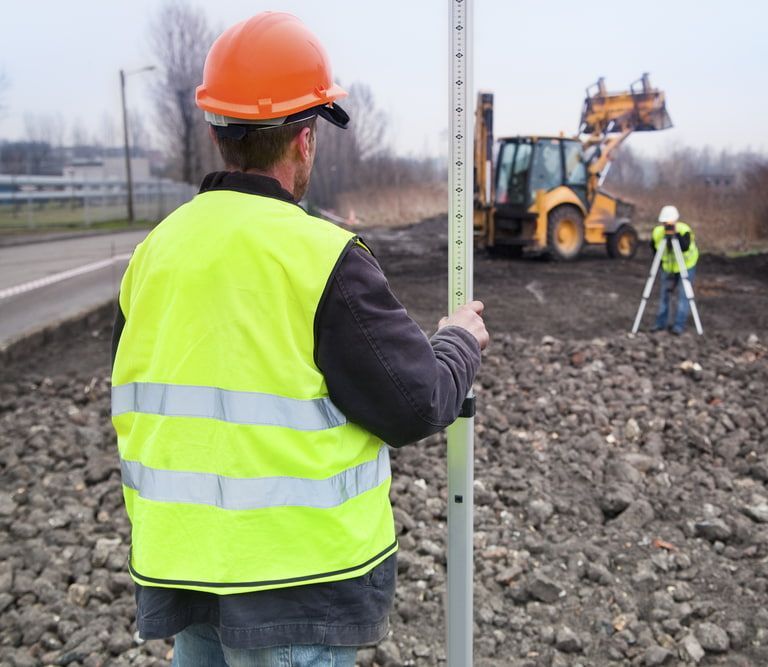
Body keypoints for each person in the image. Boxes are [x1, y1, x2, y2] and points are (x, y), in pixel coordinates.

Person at [110, 12, 489, 666]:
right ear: (304, 141)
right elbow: (415, 401)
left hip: (187, 571)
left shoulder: (154, 253)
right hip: (293, 586)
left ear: (215, 130)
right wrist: (459, 342)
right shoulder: (321, 258)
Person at [651, 205, 699, 335]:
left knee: (684, 296)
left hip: (686, 266)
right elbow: (655, 251)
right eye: (665, 223)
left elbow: (684, 247)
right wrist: (661, 266)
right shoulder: (657, 233)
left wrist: (675, 236)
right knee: (664, 296)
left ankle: (679, 325)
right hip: (668, 268)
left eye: (669, 223)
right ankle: (660, 323)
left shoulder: (684, 230)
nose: (667, 226)